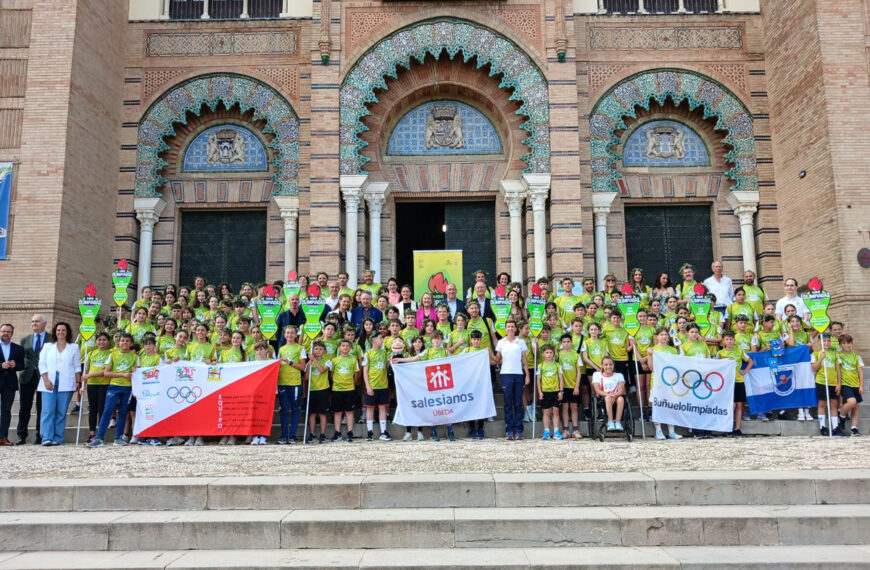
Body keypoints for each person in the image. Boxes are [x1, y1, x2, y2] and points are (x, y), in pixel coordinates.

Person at [88, 332, 138, 447]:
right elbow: (106, 373)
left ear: (131, 343)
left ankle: (118, 438)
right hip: (114, 387)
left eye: (127, 341)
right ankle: (99, 438)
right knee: (107, 411)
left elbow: (136, 373)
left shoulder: (135, 357)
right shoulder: (113, 355)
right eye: (122, 341)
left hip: (127, 388)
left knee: (123, 412)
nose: (124, 343)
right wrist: (122, 375)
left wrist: (134, 371)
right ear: (119, 343)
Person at [495, 320, 529, 441]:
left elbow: (524, 360)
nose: (510, 328)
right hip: (505, 375)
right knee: (508, 403)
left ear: (516, 329)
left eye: (512, 327)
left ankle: (518, 430)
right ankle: (509, 430)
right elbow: (497, 359)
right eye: (508, 326)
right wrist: (488, 353)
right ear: (505, 329)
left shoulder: (521, 342)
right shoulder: (501, 342)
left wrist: (527, 374)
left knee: (518, 403)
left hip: (518, 374)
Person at [16, 314, 47, 445]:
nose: (34, 323)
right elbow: (22, 357)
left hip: (44, 377)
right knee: (24, 407)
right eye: (32, 321)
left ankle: (40, 435)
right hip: (27, 376)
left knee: (41, 407)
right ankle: (21, 435)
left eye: (37, 321)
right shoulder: (25, 339)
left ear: (44, 323)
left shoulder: (51, 339)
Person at [717, 331, 753, 437]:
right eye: (727, 339)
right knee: (731, 405)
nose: (729, 341)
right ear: (723, 341)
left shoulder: (739, 351)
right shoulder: (720, 353)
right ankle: (729, 427)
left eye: (731, 339)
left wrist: (744, 371)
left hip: (739, 381)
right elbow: (715, 366)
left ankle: (737, 428)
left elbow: (750, 361)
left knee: (739, 405)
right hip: (727, 382)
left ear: (734, 340)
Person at [277, 326, 307, 444]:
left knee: (295, 408)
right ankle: (284, 435)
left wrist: (289, 362)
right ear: (284, 335)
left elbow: (302, 367)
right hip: (282, 382)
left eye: (292, 333)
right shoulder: (281, 349)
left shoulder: (300, 348)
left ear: (296, 335)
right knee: (284, 409)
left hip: (294, 382)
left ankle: (293, 435)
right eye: (287, 333)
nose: (289, 335)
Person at [82, 332, 112, 444]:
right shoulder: (91, 353)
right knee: (92, 408)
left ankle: (100, 435)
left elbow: (106, 371)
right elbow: (86, 369)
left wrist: (90, 375)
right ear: (96, 341)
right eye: (99, 340)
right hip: (91, 384)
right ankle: (92, 434)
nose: (102, 342)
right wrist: (83, 383)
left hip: (104, 383)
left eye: (104, 340)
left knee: (101, 408)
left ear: (108, 341)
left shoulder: (111, 354)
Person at [362, 332, 392, 441]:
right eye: (380, 338)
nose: (382, 340)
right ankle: (370, 432)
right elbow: (365, 371)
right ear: (373, 340)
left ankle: (383, 432)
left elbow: (388, 365)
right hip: (372, 386)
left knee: (382, 408)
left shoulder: (384, 353)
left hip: (383, 386)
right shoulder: (368, 354)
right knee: (370, 409)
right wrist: (368, 386)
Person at [812, 334, 843, 436]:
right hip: (821, 382)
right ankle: (822, 427)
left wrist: (839, 383)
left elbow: (838, 370)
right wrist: (820, 359)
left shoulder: (835, 354)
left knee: (834, 405)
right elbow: (814, 368)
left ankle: (835, 427)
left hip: (833, 383)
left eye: (828, 341)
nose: (826, 343)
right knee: (822, 404)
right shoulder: (816, 354)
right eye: (824, 341)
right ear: (819, 342)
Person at [330, 339, 359, 442]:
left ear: (350, 348)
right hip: (337, 389)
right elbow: (331, 374)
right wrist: (337, 382)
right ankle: (337, 433)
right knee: (337, 412)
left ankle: (350, 432)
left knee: (349, 411)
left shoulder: (353, 360)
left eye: (347, 346)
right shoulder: (334, 360)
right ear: (339, 348)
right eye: (343, 346)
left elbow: (356, 374)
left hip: (349, 389)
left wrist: (353, 383)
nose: (345, 348)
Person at [0, 324, 24, 446]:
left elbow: (22, 365)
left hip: (9, 383)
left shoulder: (18, 348)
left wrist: (15, 365)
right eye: (3, 331)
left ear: (12, 334)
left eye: (8, 332)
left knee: (6, 411)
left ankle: (3, 437)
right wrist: (1, 365)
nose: (6, 333)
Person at [837, 334, 864, 436]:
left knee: (855, 406)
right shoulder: (838, 356)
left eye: (848, 343)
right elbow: (838, 371)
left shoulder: (856, 357)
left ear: (852, 343)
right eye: (843, 343)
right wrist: (839, 384)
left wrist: (861, 386)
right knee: (851, 402)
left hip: (855, 384)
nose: (846, 345)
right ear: (840, 345)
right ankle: (842, 415)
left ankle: (854, 428)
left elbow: (860, 372)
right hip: (845, 384)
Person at [305, 340, 331, 444]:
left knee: (322, 413)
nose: (318, 351)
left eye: (320, 349)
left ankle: (322, 434)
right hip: (312, 389)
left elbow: (322, 370)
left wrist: (314, 361)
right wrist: (309, 365)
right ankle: (312, 434)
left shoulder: (327, 361)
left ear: (324, 351)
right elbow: (306, 378)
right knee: (312, 413)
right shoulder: (309, 363)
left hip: (323, 389)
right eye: (316, 349)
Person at [536, 344, 564, 440]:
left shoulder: (557, 365)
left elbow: (561, 378)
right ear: (543, 354)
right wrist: (540, 392)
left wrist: (561, 391)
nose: (549, 354)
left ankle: (556, 431)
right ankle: (546, 431)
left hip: (555, 391)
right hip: (545, 391)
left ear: (554, 354)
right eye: (547, 352)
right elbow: (538, 380)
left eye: (551, 352)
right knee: (546, 412)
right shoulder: (540, 366)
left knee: (556, 411)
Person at [591, 356, 626, 432]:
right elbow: (598, 390)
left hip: (616, 396)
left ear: (613, 365)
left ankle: (618, 422)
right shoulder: (597, 375)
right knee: (608, 398)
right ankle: (610, 421)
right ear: (602, 366)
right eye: (606, 365)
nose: (608, 367)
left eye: (610, 364)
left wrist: (615, 395)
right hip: (603, 397)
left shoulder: (619, 376)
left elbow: (621, 390)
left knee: (621, 399)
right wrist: (609, 395)